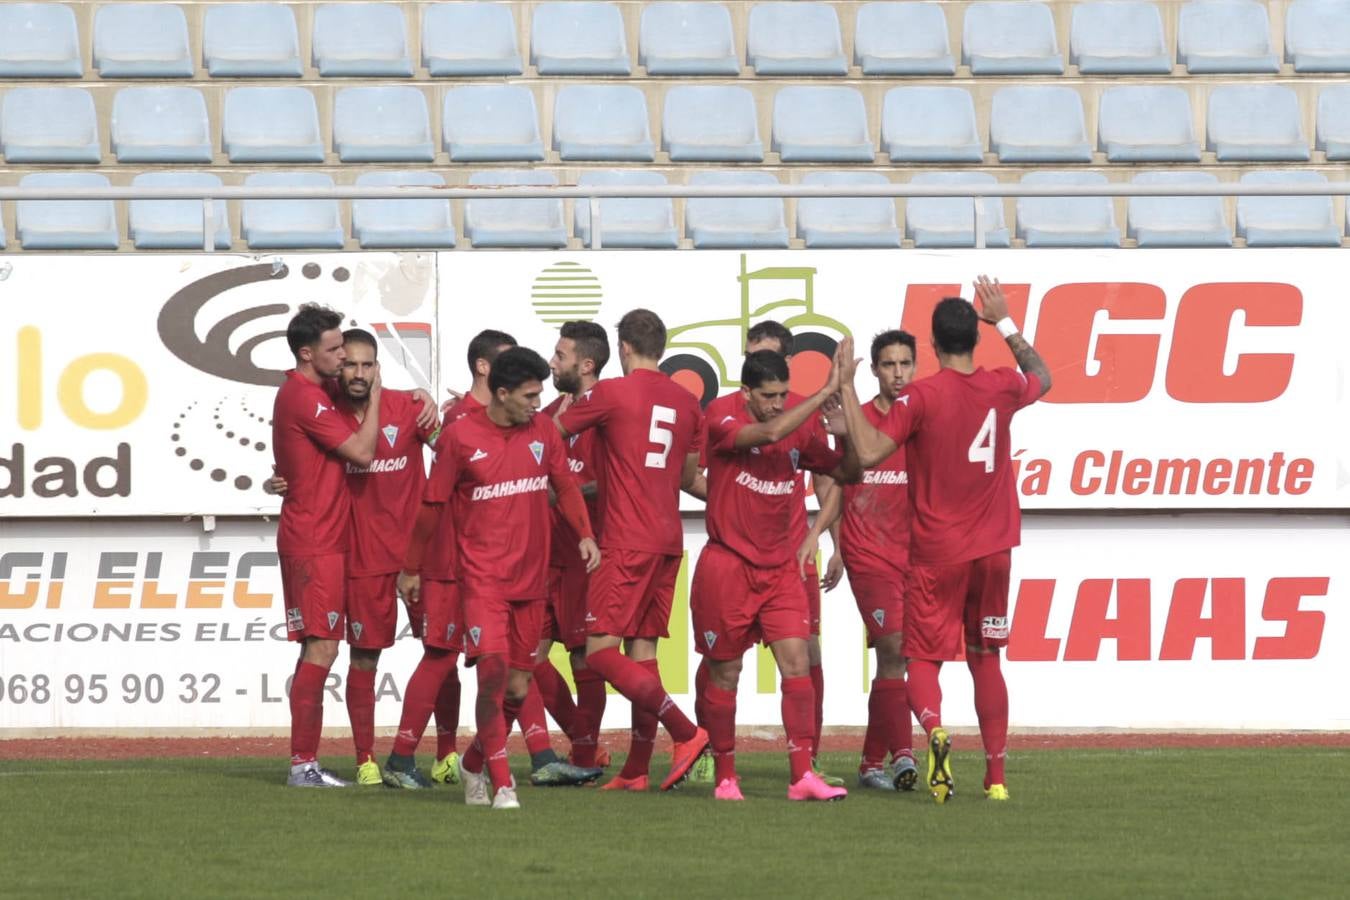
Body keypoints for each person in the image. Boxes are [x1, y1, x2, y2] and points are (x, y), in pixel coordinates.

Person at [832, 277, 1053, 803]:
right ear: (975, 338)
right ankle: (996, 778)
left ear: (930, 346)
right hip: (996, 550)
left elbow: (864, 455)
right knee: (986, 658)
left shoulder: (922, 397)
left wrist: (844, 385)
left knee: (924, 660)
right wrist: (1005, 321)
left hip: (937, 553)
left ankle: (932, 729)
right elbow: (1042, 376)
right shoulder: (1002, 384)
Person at [400, 347, 601, 810]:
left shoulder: (544, 432)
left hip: (532, 584)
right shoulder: (459, 437)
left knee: (516, 687)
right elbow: (432, 507)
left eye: (540, 394)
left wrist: (585, 534)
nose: (537, 403)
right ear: (502, 392)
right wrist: (412, 568)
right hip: (482, 581)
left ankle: (473, 761)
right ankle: (501, 780)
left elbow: (565, 486)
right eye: (530, 396)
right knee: (491, 674)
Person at [266, 329, 440, 787]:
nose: (357, 372)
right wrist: (278, 480)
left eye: (366, 364)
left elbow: (453, 450)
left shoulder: (410, 406)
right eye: (347, 363)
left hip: (419, 558)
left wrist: (446, 409)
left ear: (377, 365)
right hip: (356, 556)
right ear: (333, 367)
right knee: (353, 656)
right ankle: (360, 761)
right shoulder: (322, 406)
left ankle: (447, 755)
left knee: (440, 652)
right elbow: (317, 458)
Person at [556, 309, 710, 792]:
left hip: (624, 540)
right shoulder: (688, 402)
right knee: (642, 654)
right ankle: (637, 769)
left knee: (599, 652)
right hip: (667, 542)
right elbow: (688, 477)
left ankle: (686, 733)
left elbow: (552, 433)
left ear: (622, 348)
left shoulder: (612, 392)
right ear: (660, 348)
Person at [691, 320, 843, 787]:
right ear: (747, 392)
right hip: (728, 564)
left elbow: (843, 473)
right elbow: (770, 433)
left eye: (783, 394)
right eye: (769, 395)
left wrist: (846, 429)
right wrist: (822, 397)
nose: (778, 403)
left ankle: (803, 776)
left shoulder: (801, 417)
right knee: (726, 670)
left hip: (782, 566)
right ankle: (725, 775)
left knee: (798, 662)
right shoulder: (720, 413)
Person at [390, 328, 517, 789]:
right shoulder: (463, 420)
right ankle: (403, 757)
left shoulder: (490, 418)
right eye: (508, 362)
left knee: (502, 661)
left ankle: (458, 757)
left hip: (483, 562)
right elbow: (440, 492)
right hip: (451, 560)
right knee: (441, 656)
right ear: (484, 367)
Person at [798, 330, 919, 791]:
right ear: (874, 371)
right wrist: (833, 543)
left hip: (916, 556)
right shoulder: (857, 418)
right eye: (889, 365)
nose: (898, 373)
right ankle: (903, 755)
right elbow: (833, 484)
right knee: (894, 648)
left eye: (905, 363)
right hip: (870, 555)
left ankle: (871, 762)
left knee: (904, 657)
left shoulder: (918, 419)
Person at [272, 304, 383, 788]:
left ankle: (305, 761)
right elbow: (361, 451)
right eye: (335, 349)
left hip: (320, 538)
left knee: (318, 648)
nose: (343, 357)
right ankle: (302, 765)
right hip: (313, 539)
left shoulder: (309, 393)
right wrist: (378, 396)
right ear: (307, 353)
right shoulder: (305, 397)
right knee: (322, 649)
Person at [536, 322, 613, 770]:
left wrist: (563, 494)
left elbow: (612, 482)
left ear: (586, 364)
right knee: (527, 659)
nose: (552, 362)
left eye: (560, 356)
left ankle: (586, 749)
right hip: (544, 555)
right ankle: (583, 741)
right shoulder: (546, 414)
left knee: (585, 657)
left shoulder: (609, 415)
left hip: (587, 555)